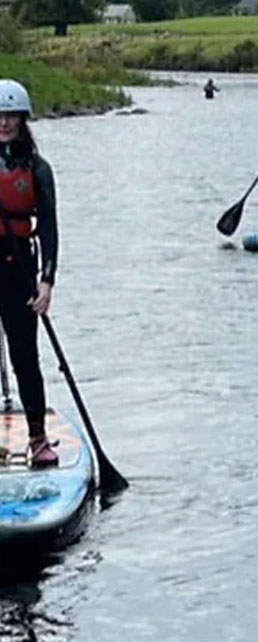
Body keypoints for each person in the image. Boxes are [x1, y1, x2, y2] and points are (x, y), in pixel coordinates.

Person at [0, 79, 58, 466]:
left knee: (25, 356)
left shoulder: (37, 169)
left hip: (20, 268)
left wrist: (47, 280)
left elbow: (50, 229)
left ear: (23, 119)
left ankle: (37, 438)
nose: (4, 122)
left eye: (11, 116)